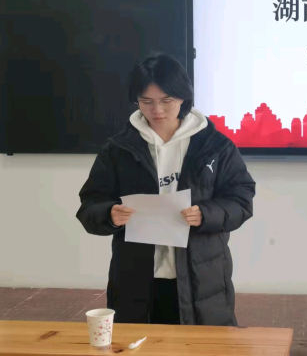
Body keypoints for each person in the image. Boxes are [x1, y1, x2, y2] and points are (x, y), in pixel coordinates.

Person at [77, 52, 255, 326]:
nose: (157, 110)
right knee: (137, 344)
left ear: (183, 97)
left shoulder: (215, 146)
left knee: (202, 345)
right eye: (146, 101)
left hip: (202, 279)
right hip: (136, 278)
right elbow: (90, 203)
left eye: (166, 100)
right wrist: (109, 214)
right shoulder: (118, 149)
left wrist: (206, 214)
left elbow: (241, 200)